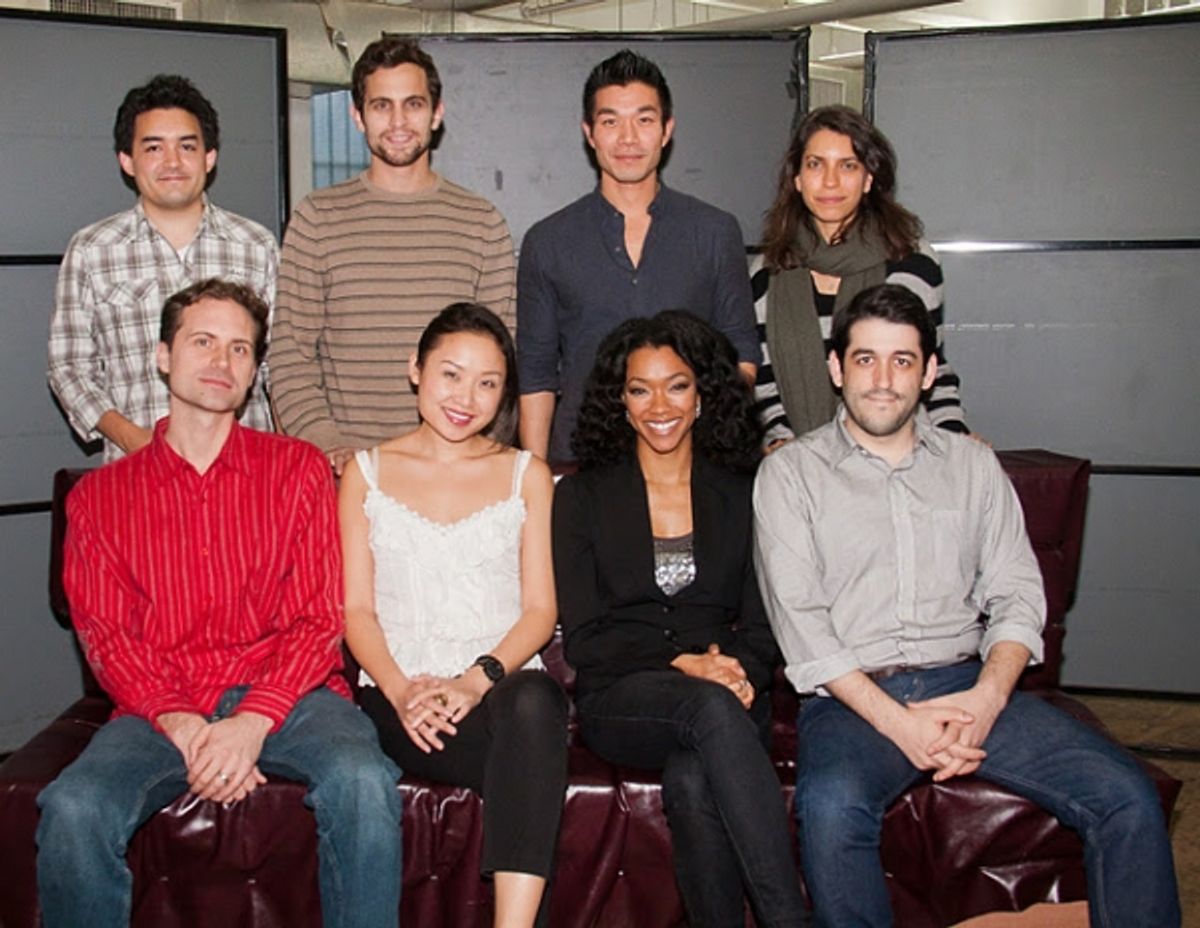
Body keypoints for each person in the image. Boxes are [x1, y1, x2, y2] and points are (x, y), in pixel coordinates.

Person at [753, 284, 1181, 928]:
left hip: (968, 680)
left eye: (902, 361)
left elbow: (1016, 594)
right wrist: (905, 727)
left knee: (1126, 796)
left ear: (929, 373)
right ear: (836, 368)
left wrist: (985, 700)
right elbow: (802, 627)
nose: (882, 379)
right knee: (831, 810)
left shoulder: (974, 468)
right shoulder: (791, 475)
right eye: (865, 359)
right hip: (853, 697)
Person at [36, 278, 402, 928]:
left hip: (294, 699)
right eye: (203, 341)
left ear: (255, 370)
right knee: (74, 806)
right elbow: (107, 637)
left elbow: (319, 618)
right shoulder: (100, 497)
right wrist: (183, 724)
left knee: (363, 783)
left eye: (240, 349)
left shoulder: (297, 469)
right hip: (159, 707)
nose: (221, 361)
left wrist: (250, 722)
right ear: (161, 355)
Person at [553, 311, 804, 928]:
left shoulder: (746, 490)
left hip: (729, 688)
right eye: (640, 388)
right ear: (620, 401)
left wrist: (737, 670)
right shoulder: (582, 497)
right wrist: (685, 665)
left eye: (677, 385)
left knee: (695, 778)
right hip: (625, 695)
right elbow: (586, 638)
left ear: (703, 395)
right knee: (708, 708)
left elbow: (766, 624)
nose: (658, 404)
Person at [339, 303, 566, 928]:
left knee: (535, 703)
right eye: (451, 374)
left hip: (495, 692)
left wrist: (474, 680)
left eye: (488, 383)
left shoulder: (527, 474)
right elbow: (356, 610)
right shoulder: (365, 472)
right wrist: (403, 690)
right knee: (529, 757)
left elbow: (540, 612)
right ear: (415, 370)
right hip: (396, 695)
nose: (467, 397)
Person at [271, 38, 516, 475]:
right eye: (382, 105)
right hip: (345, 479)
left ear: (436, 113)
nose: (399, 121)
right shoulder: (316, 219)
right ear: (357, 116)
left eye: (414, 104)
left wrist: (474, 457)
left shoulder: (482, 223)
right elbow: (290, 358)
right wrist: (331, 448)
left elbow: (502, 360)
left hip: (455, 476)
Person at [518, 49, 760, 465]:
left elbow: (742, 356)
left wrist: (719, 449)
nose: (628, 139)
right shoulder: (547, 241)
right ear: (589, 132)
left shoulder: (716, 232)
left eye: (644, 120)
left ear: (667, 130)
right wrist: (536, 481)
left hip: (693, 466)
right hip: (582, 469)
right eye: (611, 121)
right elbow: (537, 376)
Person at [47, 74, 276, 463]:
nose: (172, 162)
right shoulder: (92, 250)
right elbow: (69, 367)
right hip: (137, 470)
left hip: (244, 470)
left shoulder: (256, 245)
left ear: (210, 157)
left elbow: (277, 365)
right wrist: (137, 441)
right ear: (127, 161)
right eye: (154, 148)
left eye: (187, 146)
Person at [754, 105, 967, 447]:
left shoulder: (912, 261)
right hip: (799, 466)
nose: (830, 181)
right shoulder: (767, 271)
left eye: (848, 165)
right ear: (796, 178)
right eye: (815, 164)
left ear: (869, 178)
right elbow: (763, 383)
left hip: (902, 456)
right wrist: (781, 444)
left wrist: (956, 446)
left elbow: (932, 370)